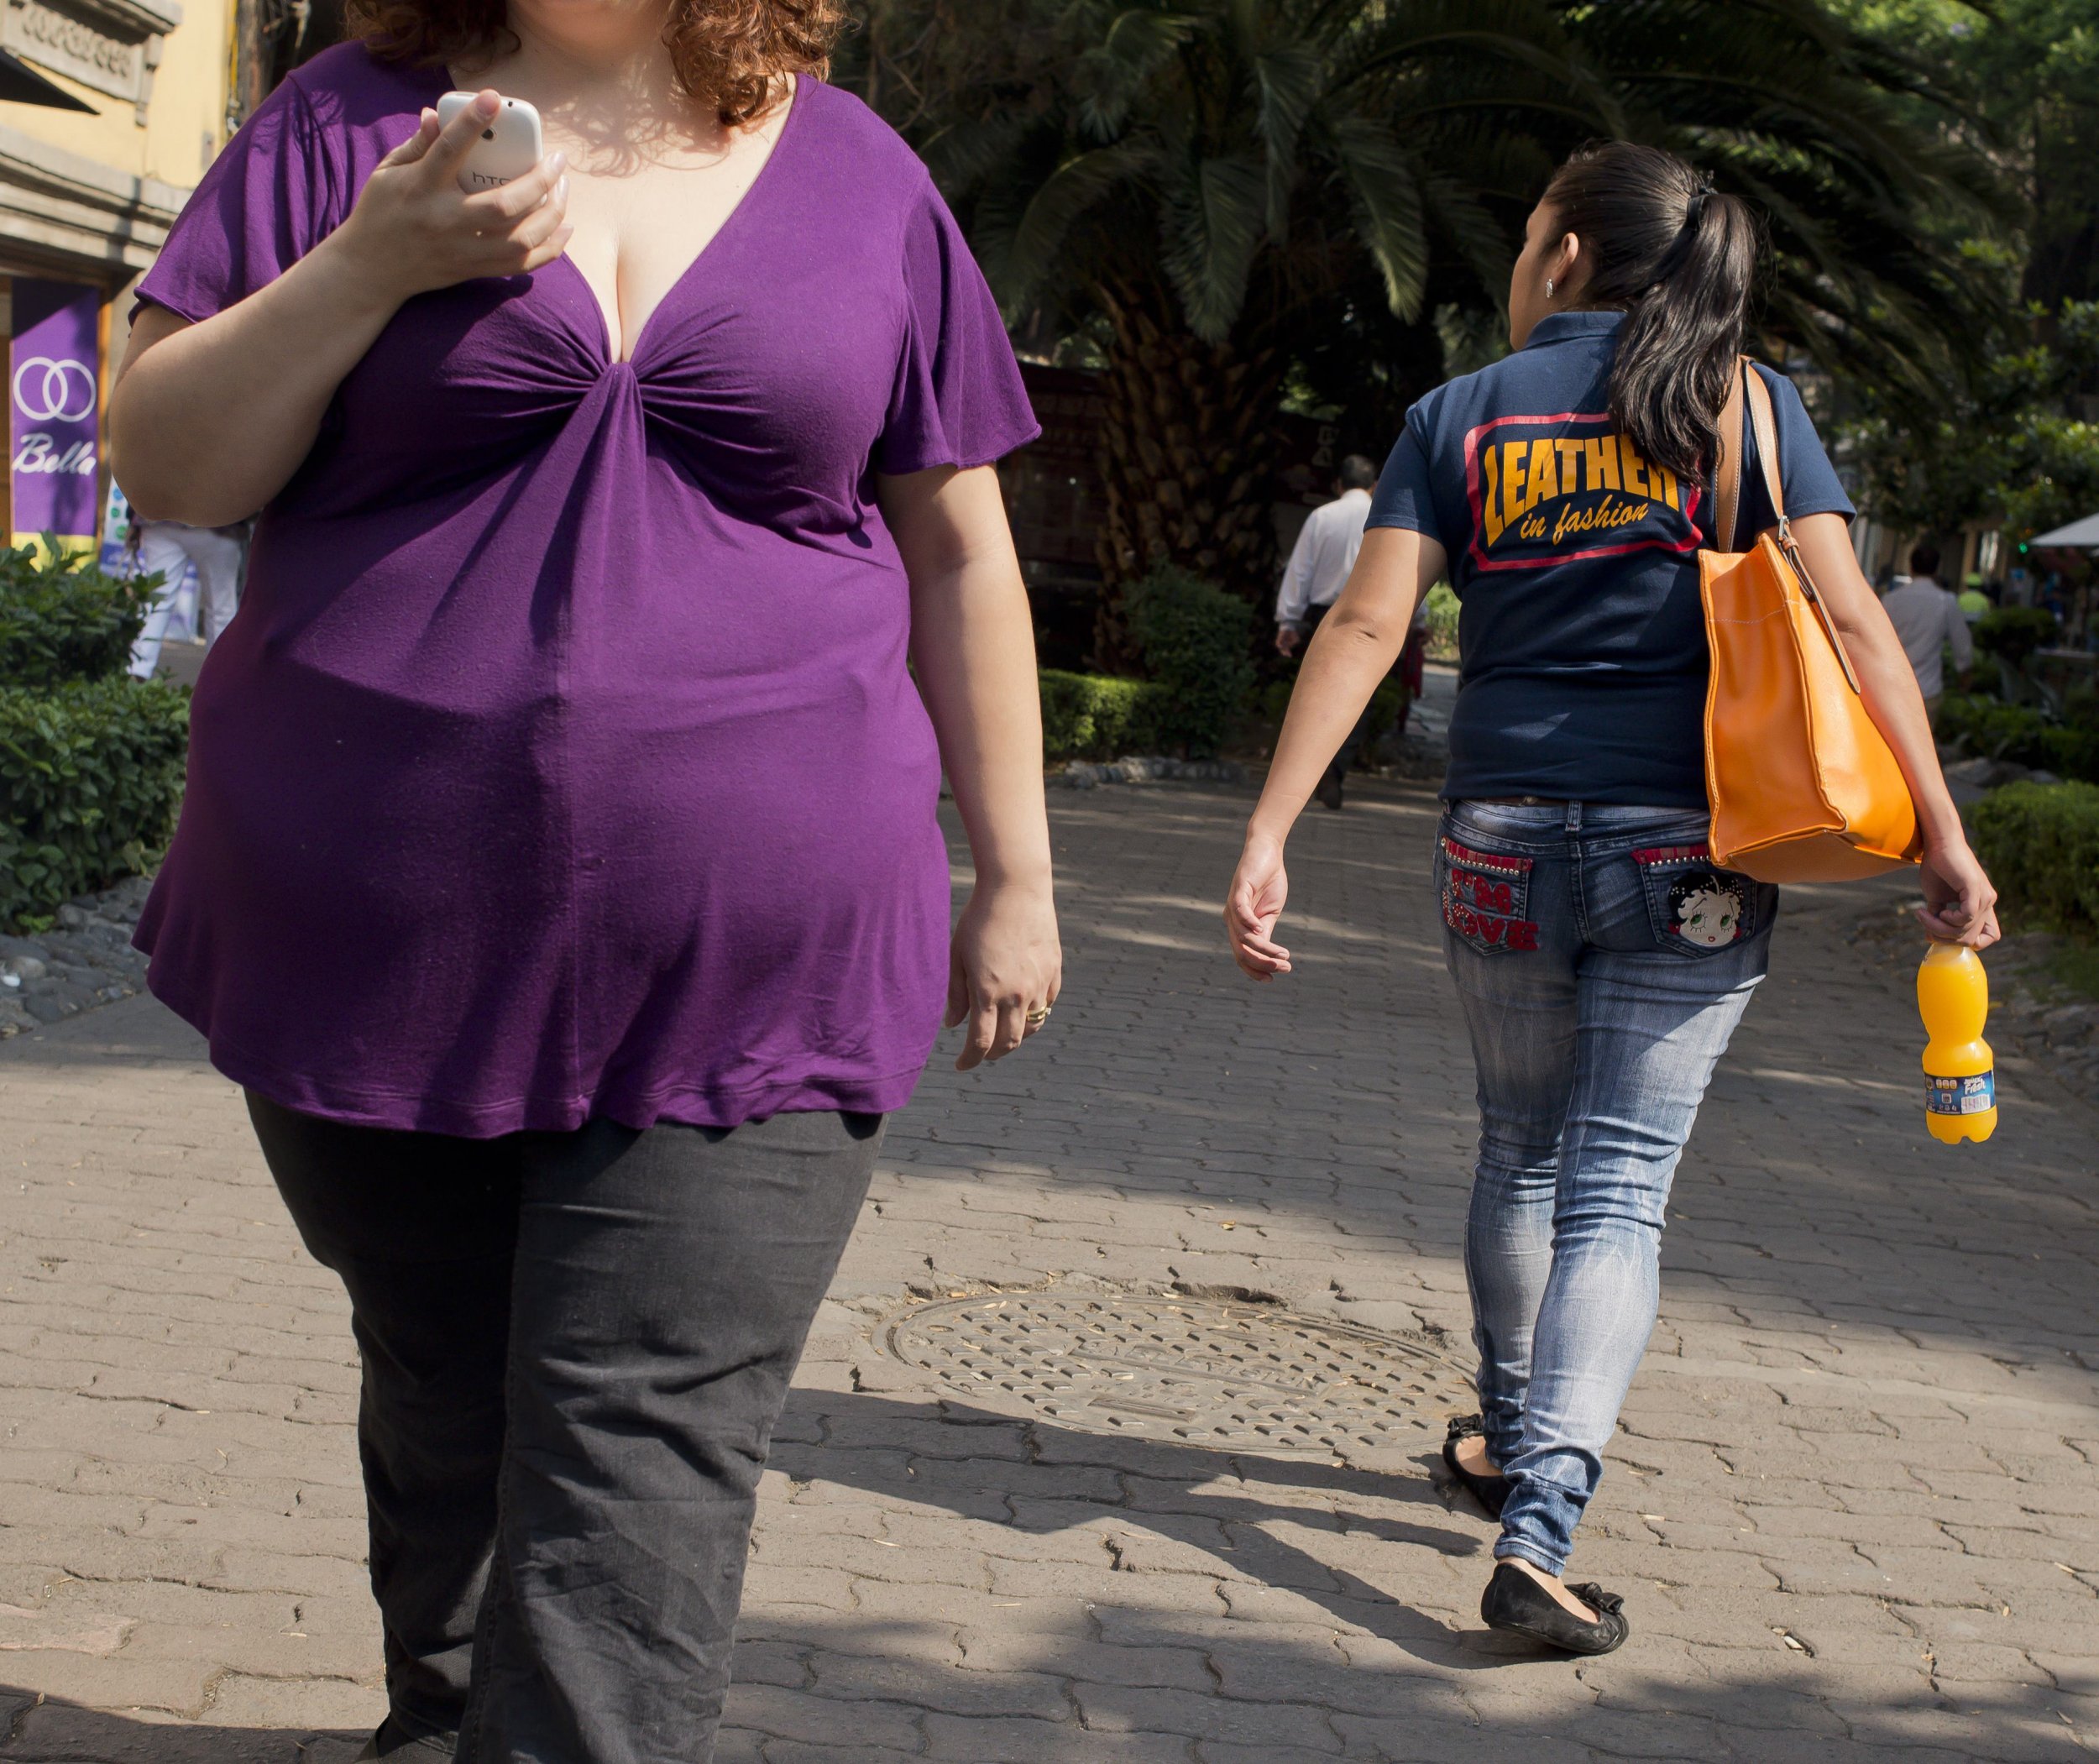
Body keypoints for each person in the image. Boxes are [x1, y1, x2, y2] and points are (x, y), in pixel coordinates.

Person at [107, 1, 1059, 1756]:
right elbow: (167, 463)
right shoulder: (338, 129)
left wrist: (1017, 870)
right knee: (449, 1400)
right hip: (366, 920)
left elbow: (955, 544)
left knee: (638, 1441)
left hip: (756, 940)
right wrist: (367, 268)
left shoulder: (858, 174)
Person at [1223, 141, 1998, 1658]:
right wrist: (1944, 840)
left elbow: (1373, 620)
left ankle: (1511, 1437)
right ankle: (1539, 1525)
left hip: (1498, 832)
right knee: (1619, 1184)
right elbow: (1856, 625)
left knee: (1519, 1145)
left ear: (1567, 255)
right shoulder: (1747, 404)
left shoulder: (1462, 412)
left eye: (1525, 238)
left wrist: (1270, 826)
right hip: (1693, 847)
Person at [1275, 455, 1424, 807]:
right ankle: (1334, 771)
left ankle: (1308, 774)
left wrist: (1288, 620)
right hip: (1376, 616)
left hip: (1324, 615)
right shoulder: (1388, 519)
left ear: (1337, 485)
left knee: (1313, 695)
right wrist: (1418, 621)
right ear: (1374, 486)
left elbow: (1300, 571)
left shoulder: (1321, 516)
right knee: (1360, 700)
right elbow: (1411, 569)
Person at [125, 519, 245, 678]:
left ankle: (134, 676)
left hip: (163, 517)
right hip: (217, 522)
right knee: (221, 612)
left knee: (155, 605)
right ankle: (220, 683)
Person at [1882, 542, 1973, 724]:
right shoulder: (1946, 602)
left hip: (1890, 690)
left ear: (1911, 567)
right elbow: (1963, 648)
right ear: (1937, 569)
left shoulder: (1890, 600)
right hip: (1927, 690)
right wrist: (1965, 679)